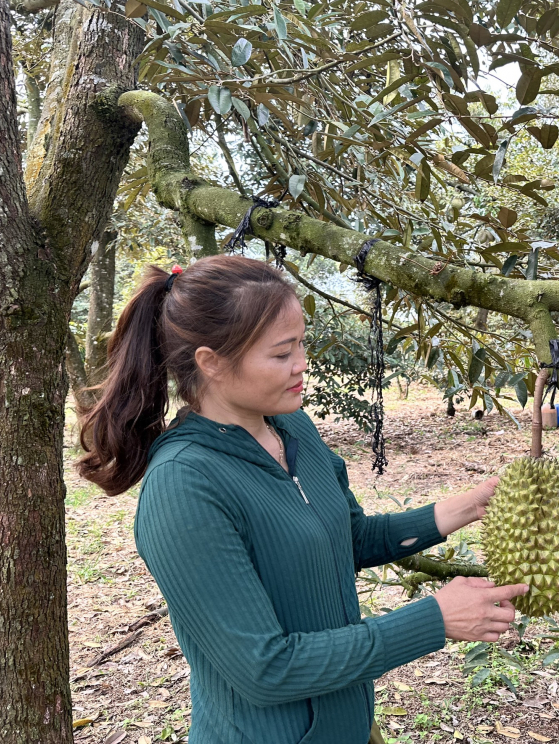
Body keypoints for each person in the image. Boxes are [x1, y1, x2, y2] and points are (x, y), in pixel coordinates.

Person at [74, 254, 528, 744]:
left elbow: (349, 539)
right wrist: (432, 620)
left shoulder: (293, 429)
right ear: (212, 363)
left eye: (302, 344)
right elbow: (264, 670)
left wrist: (470, 506)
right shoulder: (184, 486)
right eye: (281, 352)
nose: (302, 364)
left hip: (346, 725)